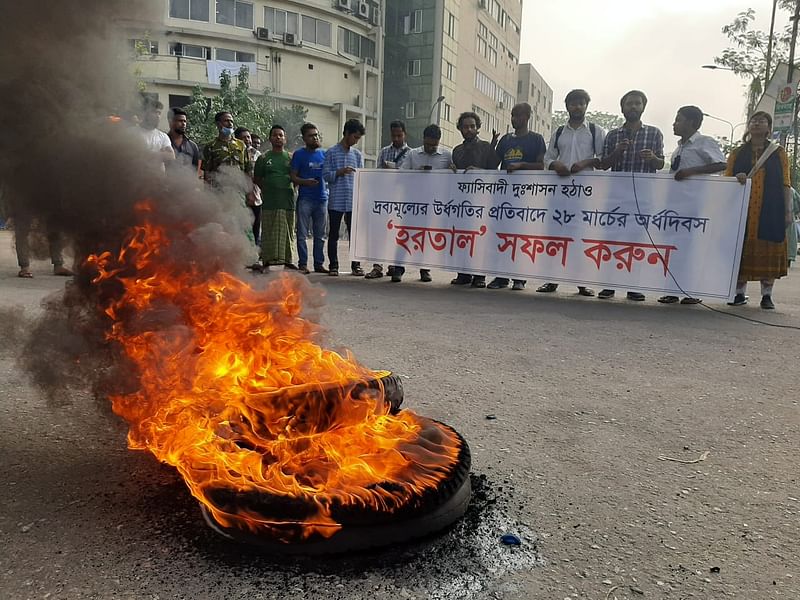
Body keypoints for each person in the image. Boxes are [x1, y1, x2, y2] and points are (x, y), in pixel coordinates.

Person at [599, 90, 664, 301]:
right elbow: (604, 164)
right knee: (613, 240)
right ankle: (609, 284)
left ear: (643, 107)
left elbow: (661, 164)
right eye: (629, 104)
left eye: (637, 103)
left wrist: (653, 158)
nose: (633, 107)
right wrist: (617, 151)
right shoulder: (613, 135)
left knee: (636, 242)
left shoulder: (654, 133)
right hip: (616, 196)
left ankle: (633, 285)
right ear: (622, 108)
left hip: (642, 197)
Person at [658, 105, 727, 305]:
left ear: (691, 122)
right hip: (676, 206)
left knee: (692, 250)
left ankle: (691, 291)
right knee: (675, 248)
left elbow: (721, 164)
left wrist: (691, 172)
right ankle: (672, 290)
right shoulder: (679, 147)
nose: (674, 123)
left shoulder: (704, 142)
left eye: (678, 119)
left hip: (697, 206)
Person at [538, 91, 604, 297]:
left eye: (581, 103)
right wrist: (555, 164)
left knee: (580, 238)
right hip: (560, 191)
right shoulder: (559, 132)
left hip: (585, 193)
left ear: (586, 106)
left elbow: (603, 159)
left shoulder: (595, 131)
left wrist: (585, 163)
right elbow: (547, 158)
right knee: (556, 236)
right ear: (567, 106)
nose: (577, 107)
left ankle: (582, 283)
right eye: (573, 103)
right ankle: (552, 280)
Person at [726, 111, 792, 309]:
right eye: (753, 121)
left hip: (770, 209)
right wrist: (735, 179)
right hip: (742, 210)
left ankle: (766, 296)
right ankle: (739, 294)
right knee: (740, 250)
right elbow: (726, 180)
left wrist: (788, 211)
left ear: (768, 127)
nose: (756, 123)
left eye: (761, 121)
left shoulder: (778, 153)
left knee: (769, 247)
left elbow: (786, 183)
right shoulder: (737, 153)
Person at [491, 103, 548, 292]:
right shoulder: (505, 140)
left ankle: (519, 277)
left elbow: (541, 166)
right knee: (503, 236)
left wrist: (521, 165)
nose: (513, 119)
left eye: (517, 115)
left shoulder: (536, 139)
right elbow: (493, 164)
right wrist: (492, 145)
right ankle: (501, 276)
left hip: (527, 196)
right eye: (512, 115)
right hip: (505, 196)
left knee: (521, 237)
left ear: (526, 117)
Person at [396, 123, 453, 282]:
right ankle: (398, 268)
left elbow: (452, 177)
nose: (430, 148)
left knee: (428, 237)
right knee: (405, 235)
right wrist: (418, 172)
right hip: (413, 203)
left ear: (439, 141)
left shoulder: (446, 156)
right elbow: (401, 174)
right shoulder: (413, 154)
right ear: (423, 139)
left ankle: (425, 269)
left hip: (433, 205)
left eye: (434, 145)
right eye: (428, 144)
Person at [451, 112, 500, 288]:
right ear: (460, 129)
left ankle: (479, 276)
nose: (469, 129)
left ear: (478, 128)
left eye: (472, 126)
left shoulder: (486, 147)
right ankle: (463, 274)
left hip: (482, 201)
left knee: (480, 238)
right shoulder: (456, 151)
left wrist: (478, 170)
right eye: (465, 126)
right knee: (462, 237)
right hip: (462, 202)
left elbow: (494, 171)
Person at [366, 120, 413, 281]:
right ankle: (377, 266)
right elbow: (377, 174)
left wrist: (397, 172)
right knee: (381, 233)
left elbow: (413, 177)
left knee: (397, 235)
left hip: (402, 201)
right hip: (385, 198)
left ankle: (393, 265)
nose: (396, 138)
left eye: (399, 135)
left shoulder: (411, 153)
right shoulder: (384, 152)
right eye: (394, 135)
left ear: (404, 134)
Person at [323, 119, 365, 276]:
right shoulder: (331, 152)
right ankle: (334, 265)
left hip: (353, 201)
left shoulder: (357, 155)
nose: (356, 141)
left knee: (354, 235)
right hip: (336, 200)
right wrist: (339, 172)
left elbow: (361, 177)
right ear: (346, 133)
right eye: (355, 137)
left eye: (358, 138)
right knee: (333, 234)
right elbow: (326, 175)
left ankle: (356, 265)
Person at [254, 125, 296, 272]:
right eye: (275, 135)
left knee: (287, 231)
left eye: (281, 135)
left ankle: (287, 261)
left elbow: (296, 177)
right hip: (270, 202)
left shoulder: (291, 158)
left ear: (285, 138)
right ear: (270, 138)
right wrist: (267, 189)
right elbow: (257, 178)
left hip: (287, 201)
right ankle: (267, 260)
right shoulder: (264, 158)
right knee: (268, 230)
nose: (278, 137)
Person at [290, 123, 329, 274]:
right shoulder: (299, 155)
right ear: (304, 138)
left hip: (322, 199)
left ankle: (319, 264)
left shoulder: (324, 154)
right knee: (302, 234)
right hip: (305, 199)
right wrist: (305, 182)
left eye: (316, 135)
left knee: (320, 235)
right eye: (311, 135)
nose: (315, 138)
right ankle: (303, 264)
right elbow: (293, 176)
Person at [9, 197, 73, 278]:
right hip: (24, 194)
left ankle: (58, 265)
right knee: (22, 230)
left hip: (47, 194)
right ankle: (24, 267)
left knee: (55, 228)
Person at [201, 111, 251, 187]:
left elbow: (247, 169)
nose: (230, 124)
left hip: (239, 190)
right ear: (218, 124)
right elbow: (207, 172)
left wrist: (249, 190)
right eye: (226, 121)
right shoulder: (211, 146)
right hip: (219, 191)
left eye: (231, 121)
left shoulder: (241, 145)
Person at [235, 126, 263, 247]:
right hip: (238, 194)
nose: (248, 140)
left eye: (248, 137)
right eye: (244, 138)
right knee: (241, 225)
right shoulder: (234, 151)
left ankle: (255, 252)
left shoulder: (257, 154)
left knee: (255, 224)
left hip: (255, 195)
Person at [138, 98, 175, 168]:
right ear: (145, 113)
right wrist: (162, 154)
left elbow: (171, 156)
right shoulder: (132, 132)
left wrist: (147, 154)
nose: (158, 116)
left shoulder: (163, 136)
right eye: (154, 112)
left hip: (158, 177)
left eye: (159, 113)